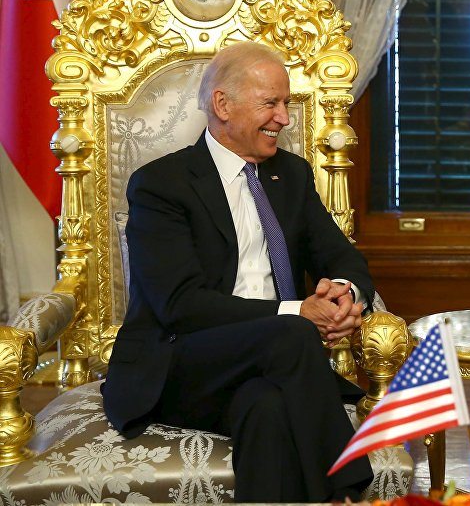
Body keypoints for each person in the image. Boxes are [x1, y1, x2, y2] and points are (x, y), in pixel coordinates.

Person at [102, 42, 374, 502]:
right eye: (270, 103)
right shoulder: (161, 185)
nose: (284, 118)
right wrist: (298, 312)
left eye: (286, 103)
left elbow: (341, 256)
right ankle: (348, 488)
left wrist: (344, 295)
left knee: (267, 408)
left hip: (272, 365)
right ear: (222, 105)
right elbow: (180, 305)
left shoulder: (292, 174)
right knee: (293, 332)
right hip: (183, 363)